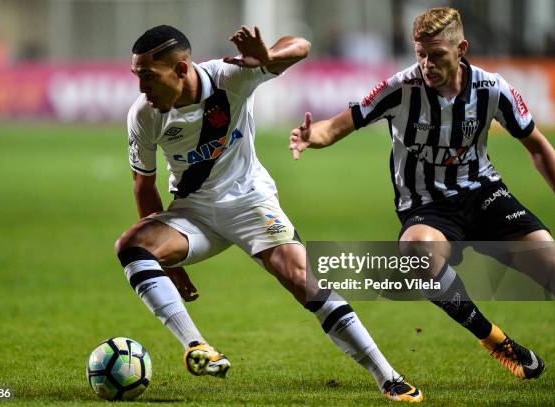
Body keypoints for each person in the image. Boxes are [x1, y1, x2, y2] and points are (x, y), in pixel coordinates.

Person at [115, 24, 423, 402]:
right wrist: (172, 265)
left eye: (148, 76)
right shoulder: (144, 115)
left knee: (301, 278)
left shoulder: (228, 78)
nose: (141, 88)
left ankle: (387, 375)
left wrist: (267, 58)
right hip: (192, 213)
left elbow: (302, 46)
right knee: (131, 246)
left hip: (250, 203)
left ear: (180, 69)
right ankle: (197, 346)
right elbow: (144, 187)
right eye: (137, 77)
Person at [289, 7, 555, 381]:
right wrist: (309, 136)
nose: (426, 64)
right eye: (420, 54)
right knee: (417, 250)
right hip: (427, 207)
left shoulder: (493, 89)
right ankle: (495, 340)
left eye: (437, 55)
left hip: (485, 195)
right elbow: (336, 127)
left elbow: (539, 147)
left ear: (461, 48)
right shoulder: (400, 89)